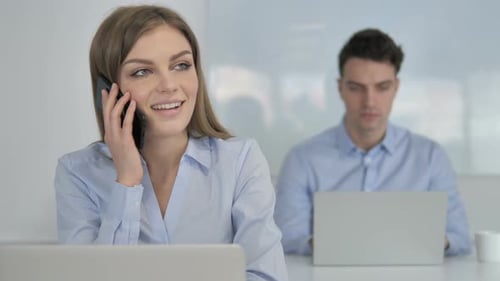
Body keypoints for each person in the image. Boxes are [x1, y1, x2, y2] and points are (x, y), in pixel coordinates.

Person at [54, 5, 288, 281]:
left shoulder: (240, 161)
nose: (169, 85)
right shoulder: (77, 172)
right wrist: (127, 181)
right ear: (108, 91)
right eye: (142, 72)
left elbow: (266, 275)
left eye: (181, 65)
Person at [274, 28, 472, 256]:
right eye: (356, 88)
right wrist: (331, 244)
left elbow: (460, 238)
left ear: (396, 87)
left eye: (382, 87)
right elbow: (287, 238)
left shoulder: (430, 157)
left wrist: (426, 241)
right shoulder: (303, 159)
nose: (369, 101)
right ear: (340, 88)